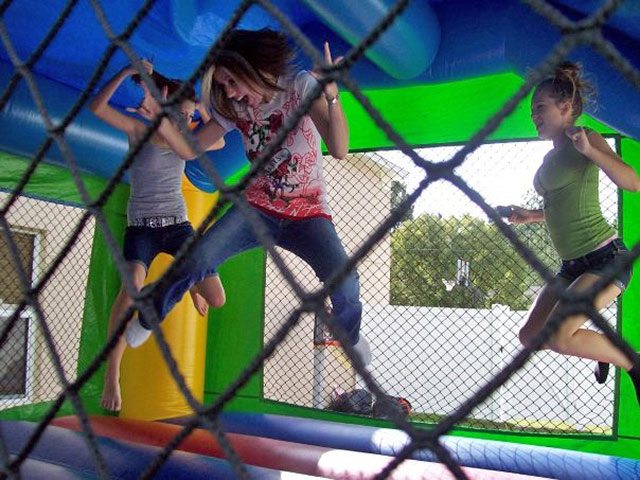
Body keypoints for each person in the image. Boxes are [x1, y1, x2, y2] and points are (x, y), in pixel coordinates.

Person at [124, 29, 371, 364]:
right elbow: (189, 149)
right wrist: (162, 122)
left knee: (346, 283)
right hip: (256, 209)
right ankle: (149, 314)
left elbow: (340, 149)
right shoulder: (233, 109)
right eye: (223, 85)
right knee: (197, 259)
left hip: (309, 213)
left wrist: (331, 96)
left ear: (251, 69)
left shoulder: (298, 87)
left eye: (231, 82)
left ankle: (350, 335)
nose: (230, 92)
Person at [89, 60, 227, 411]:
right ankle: (112, 374)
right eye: (177, 114)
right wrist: (125, 72)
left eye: (188, 117)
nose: (184, 122)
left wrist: (200, 106)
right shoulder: (138, 132)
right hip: (143, 229)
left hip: (177, 226)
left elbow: (222, 139)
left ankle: (186, 285)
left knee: (216, 298)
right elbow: (97, 107)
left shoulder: (188, 140)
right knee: (129, 289)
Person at [507, 62, 640, 402]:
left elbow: (633, 183)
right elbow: (562, 204)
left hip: (605, 259)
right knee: (531, 336)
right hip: (571, 268)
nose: (534, 115)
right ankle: (602, 350)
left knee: (561, 337)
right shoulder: (551, 156)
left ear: (565, 107)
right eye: (532, 110)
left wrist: (591, 151)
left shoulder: (585, 138)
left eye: (540, 108)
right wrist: (532, 216)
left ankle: (630, 360)